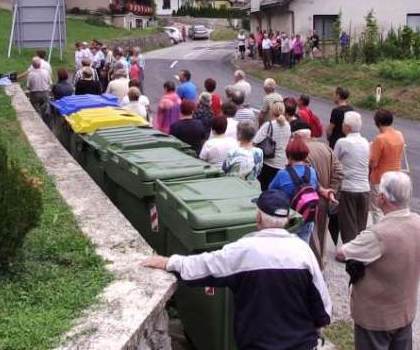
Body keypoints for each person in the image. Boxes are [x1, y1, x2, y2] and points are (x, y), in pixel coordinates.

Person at [142, 189, 332, 350]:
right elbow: (322, 306)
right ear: (288, 218)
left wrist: (169, 262)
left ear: (258, 217)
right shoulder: (303, 251)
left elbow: (203, 266)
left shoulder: (243, 251)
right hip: (300, 344)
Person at [336, 172, 420, 350]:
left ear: (382, 198)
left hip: (376, 318)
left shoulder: (378, 235)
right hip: (404, 311)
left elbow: (342, 253)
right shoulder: (419, 222)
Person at [293, 127, 344, 269]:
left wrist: (321, 190)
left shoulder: (301, 152)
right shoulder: (326, 148)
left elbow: (303, 176)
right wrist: (331, 190)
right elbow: (339, 171)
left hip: (308, 199)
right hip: (326, 199)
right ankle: (322, 261)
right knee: (322, 231)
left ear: (297, 136)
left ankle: (313, 267)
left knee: (311, 235)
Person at [267, 138, 336, 243]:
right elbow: (319, 188)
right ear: (305, 155)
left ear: (288, 155)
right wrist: (328, 193)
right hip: (307, 218)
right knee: (303, 247)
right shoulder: (311, 171)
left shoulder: (282, 174)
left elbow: (270, 192)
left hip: (289, 219)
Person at [333, 111, 370, 243]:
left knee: (348, 224)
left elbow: (334, 162)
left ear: (347, 127)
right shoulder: (366, 142)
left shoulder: (343, 142)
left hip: (348, 188)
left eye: (343, 123)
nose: (342, 125)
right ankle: (360, 250)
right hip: (364, 188)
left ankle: (349, 253)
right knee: (360, 224)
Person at [369, 109, 406, 224]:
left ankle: (380, 233)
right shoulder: (399, 135)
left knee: (377, 209)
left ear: (378, 123)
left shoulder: (380, 139)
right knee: (392, 207)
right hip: (396, 176)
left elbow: (373, 163)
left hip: (380, 178)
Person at [254, 101, 292, 191]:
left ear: (271, 111)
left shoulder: (268, 125)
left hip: (268, 162)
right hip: (282, 162)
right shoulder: (287, 125)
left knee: (263, 187)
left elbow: (255, 142)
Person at [223, 121, 264, 186]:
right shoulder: (259, 152)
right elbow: (258, 171)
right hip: (252, 187)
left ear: (239, 134)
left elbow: (225, 170)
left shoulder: (232, 153)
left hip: (234, 186)